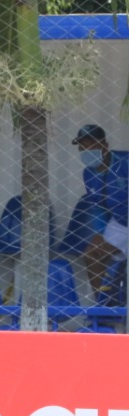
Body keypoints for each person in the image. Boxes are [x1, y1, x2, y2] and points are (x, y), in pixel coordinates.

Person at [71, 124, 129, 298]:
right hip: (120, 223)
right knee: (92, 255)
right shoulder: (89, 173)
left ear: (104, 144)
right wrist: (99, 232)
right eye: (82, 146)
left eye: (89, 144)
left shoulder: (125, 162)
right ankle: (103, 307)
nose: (85, 149)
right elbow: (97, 206)